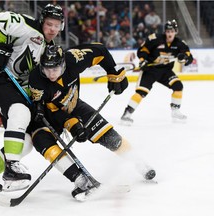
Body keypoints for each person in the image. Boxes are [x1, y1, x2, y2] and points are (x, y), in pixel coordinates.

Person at [28, 43, 156, 201]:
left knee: (107, 135)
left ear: (63, 64)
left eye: (55, 69)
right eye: (47, 70)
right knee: (41, 140)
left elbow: (100, 50)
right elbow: (52, 111)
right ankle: (80, 180)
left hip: (74, 104)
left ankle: (138, 162)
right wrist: (72, 124)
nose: (51, 74)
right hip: (50, 116)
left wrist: (113, 72)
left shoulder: (73, 59)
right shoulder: (36, 79)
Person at [0, 4, 64, 196]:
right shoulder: (28, 27)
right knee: (20, 112)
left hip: (19, 93)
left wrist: (39, 103)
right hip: (0, 82)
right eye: (49, 24)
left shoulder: (50, 49)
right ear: (42, 21)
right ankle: (12, 169)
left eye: (57, 26)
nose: (53, 29)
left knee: (26, 142)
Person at [120, 19, 193, 125]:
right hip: (150, 70)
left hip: (165, 71)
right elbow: (143, 49)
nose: (169, 34)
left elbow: (188, 57)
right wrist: (143, 60)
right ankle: (127, 114)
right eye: (168, 31)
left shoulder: (180, 44)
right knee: (141, 92)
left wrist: (184, 58)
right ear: (165, 32)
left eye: (172, 31)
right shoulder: (155, 39)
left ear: (175, 32)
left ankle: (175, 111)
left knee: (178, 86)